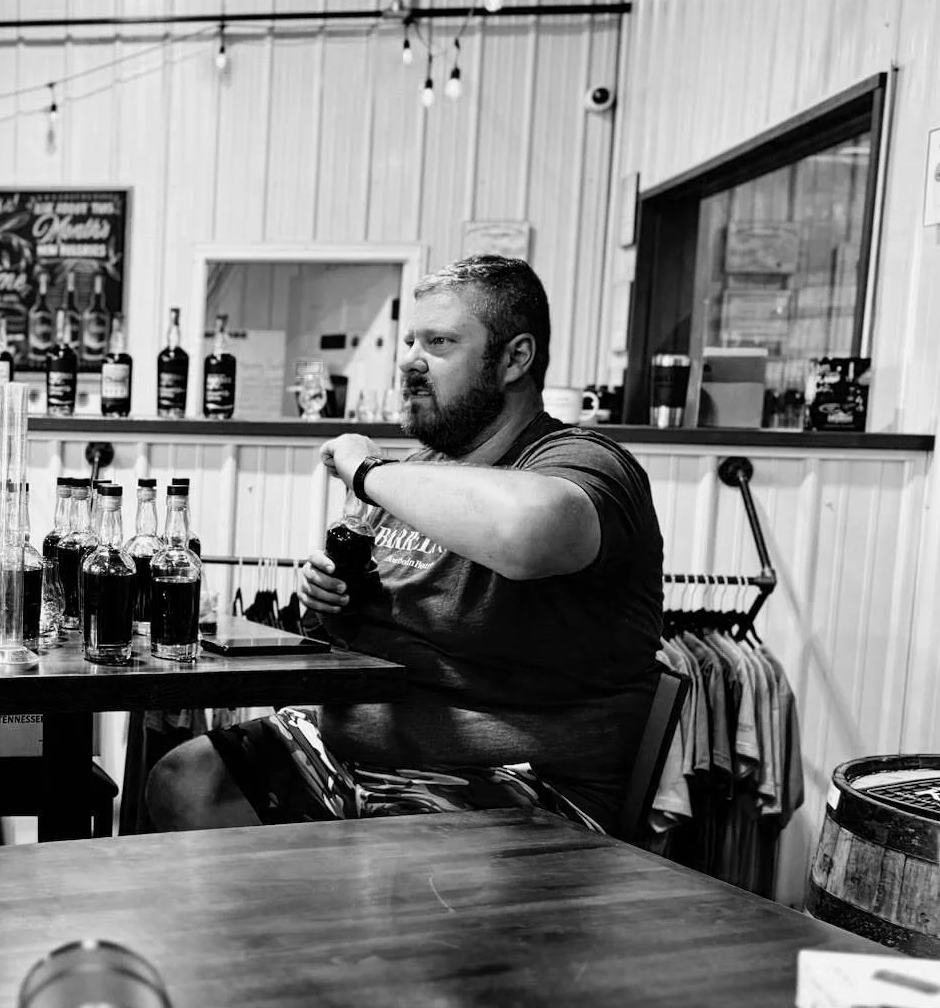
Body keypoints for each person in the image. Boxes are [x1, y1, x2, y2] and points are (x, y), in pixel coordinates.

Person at [148, 255, 662, 834]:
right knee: (185, 780)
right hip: (358, 758)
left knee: (381, 861)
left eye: (439, 343)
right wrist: (328, 601)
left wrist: (368, 471)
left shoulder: (584, 462)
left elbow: (526, 534)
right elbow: (353, 635)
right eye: (410, 340)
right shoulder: (415, 474)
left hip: (520, 783)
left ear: (515, 358)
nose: (410, 361)